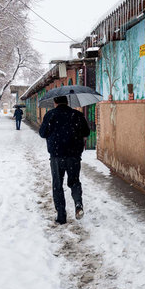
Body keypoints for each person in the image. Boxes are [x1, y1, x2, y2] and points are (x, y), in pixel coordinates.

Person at [39, 95, 90, 224]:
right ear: (67, 102)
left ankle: (61, 216)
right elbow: (86, 132)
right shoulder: (76, 115)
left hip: (57, 156)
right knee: (74, 182)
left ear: (55, 102)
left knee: (57, 185)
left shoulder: (50, 115)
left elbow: (42, 133)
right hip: (73, 156)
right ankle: (78, 204)